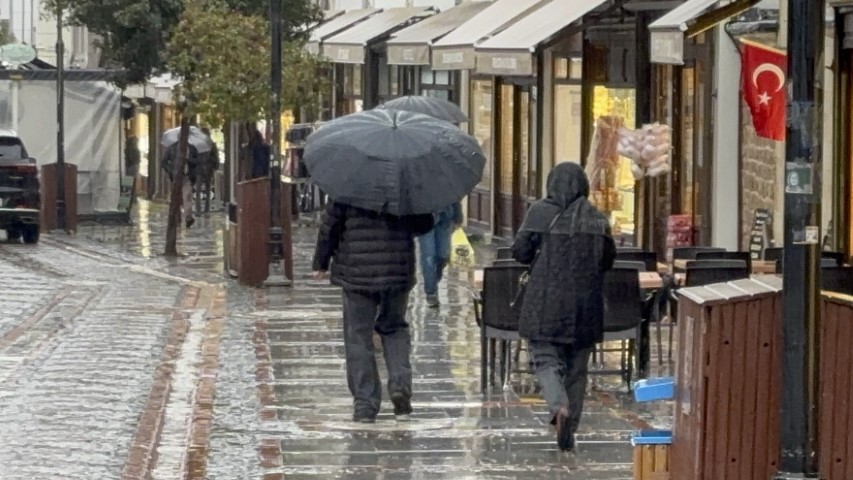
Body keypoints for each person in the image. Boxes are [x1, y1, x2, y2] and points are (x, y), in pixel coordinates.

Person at [510, 162, 616, 452]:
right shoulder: (597, 218)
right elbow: (607, 260)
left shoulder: (540, 212)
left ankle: (558, 406)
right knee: (577, 369)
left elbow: (520, 252)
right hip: (586, 306)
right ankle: (570, 430)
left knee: (545, 359)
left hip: (545, 302)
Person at [313, 202, 434, 423]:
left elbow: (330, 225)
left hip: (357, 271)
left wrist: (321, 261)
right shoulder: (405, 183)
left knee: (358, 335)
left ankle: (365, 404)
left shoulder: (349, 180)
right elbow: (424, 224)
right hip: (397, 269)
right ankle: (400, 386)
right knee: (394, 327)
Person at [418, 202, 462, 308]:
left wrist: (458, 215)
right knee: (429, 257)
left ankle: (433, 280)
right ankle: (431, 292)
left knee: (444, 255)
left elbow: (454, 192)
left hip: (445, 217)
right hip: (424, 218)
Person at [161, 142, 199, 228]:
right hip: (175, 177)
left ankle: (188, 218)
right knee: (176, 198)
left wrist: (188, 160)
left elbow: (197, 161)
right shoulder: (172, 147)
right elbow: (163, 162)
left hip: (187, 176)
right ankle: (177, 219)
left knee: (187, 197)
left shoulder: (192, 148)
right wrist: (170, 171)